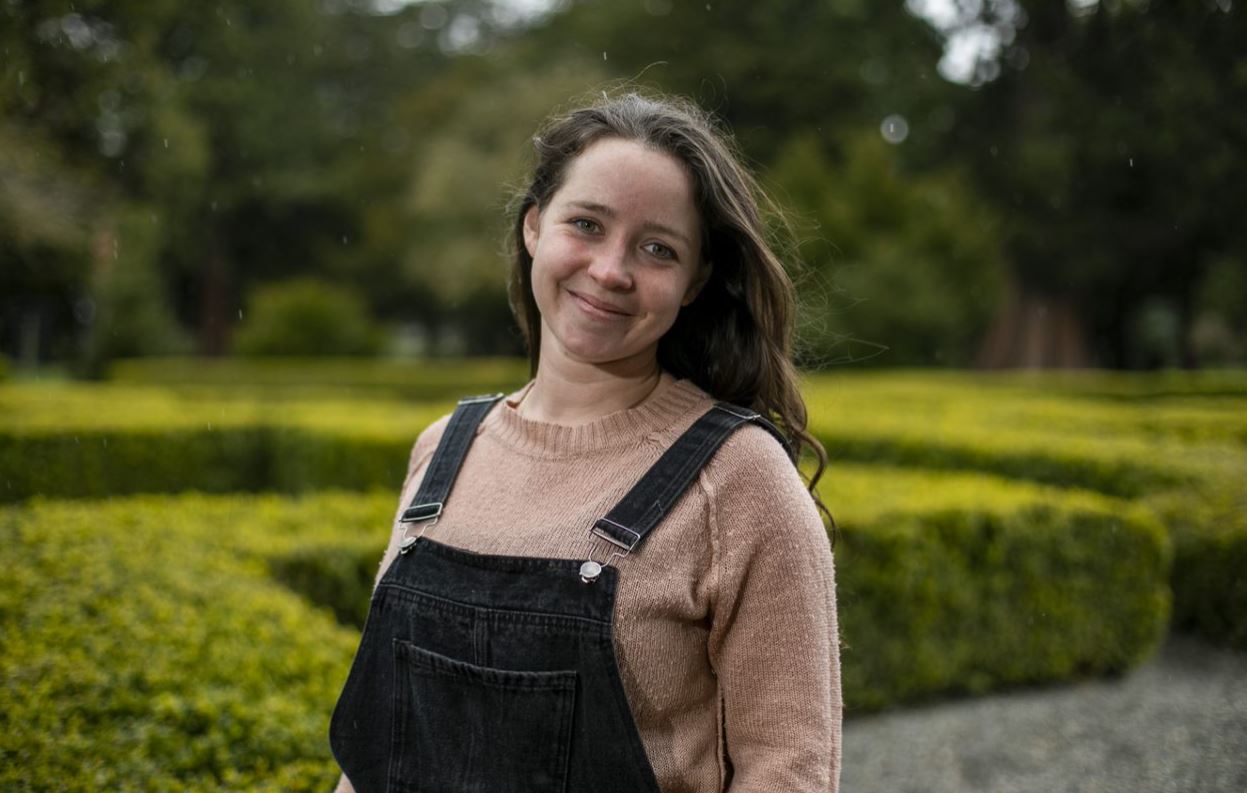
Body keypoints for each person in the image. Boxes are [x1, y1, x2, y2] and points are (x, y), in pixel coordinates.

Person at [329, 89, 841, 793]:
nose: (610, 270)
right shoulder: (442, 449)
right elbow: (378, 753)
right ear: (535, 226)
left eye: (657, 248)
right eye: (587, 224)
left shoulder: (737, 478)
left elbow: (789, 770)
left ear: (693, 283)